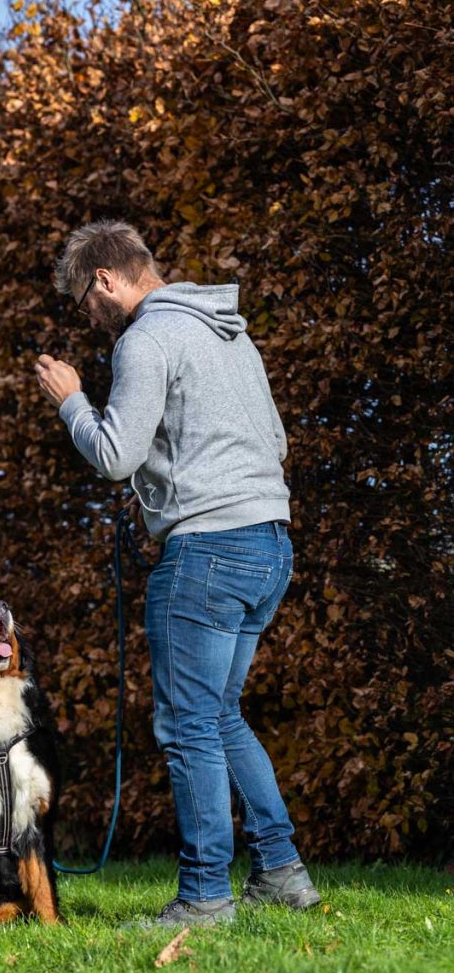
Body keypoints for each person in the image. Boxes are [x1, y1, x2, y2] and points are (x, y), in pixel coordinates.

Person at [34, 219, 321, 927]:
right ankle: (282, 874)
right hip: (269, 545)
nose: (87, 317)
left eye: (83, 301)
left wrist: (71, 401)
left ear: (104, 280)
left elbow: (114, 455)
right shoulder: (229, 334)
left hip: (206, 554)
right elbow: (274, 439)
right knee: (220, 715)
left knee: (187, 724)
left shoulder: (146, 338)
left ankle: (204, 898)